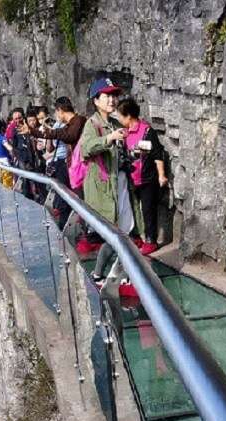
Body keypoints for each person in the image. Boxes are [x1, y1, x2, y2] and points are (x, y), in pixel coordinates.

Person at [79, 78, 143, 290]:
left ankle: (109, 275)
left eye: (114, 95)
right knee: (117, 234)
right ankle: (112, 275)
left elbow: (120, 157)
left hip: (121, 186)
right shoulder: (92, 124)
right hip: (105, 190)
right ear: (96, 100)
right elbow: (86, 148)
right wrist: (109, 139)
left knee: (123, 233)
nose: (112, 100)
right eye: (107, 96)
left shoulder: (115, 124)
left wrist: (134, 153)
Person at [21, 97, 87, 229]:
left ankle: (79, 228)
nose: (56, 116)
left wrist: (49, 132)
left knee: (75, 197)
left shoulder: (78, 121)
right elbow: (57, 134)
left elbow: (70, 136)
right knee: (69, 196)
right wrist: (32, 131)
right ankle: (70, 225)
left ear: (60, 110)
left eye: (57, 112)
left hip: (79, 167)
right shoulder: (72, 123)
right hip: (73, 165)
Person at [117, 98, 167, 256]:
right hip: (132, 178)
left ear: (129, 116)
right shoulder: (124, 133)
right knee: (133, 209)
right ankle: (137, 236)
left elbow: (157, 154)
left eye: (120, 116)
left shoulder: (146, 131)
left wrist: (161, 175)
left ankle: (151, 240)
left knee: (147, 209)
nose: (118, 119)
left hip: (147, 178)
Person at [12, 108, 41, 200]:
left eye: (19, 118)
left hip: (33, 156)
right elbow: (14, 145)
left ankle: (38, 197)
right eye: (15, 119)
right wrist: (18, 156)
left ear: (23, 117)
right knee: (25, 180)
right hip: (22, 158)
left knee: (37, 179)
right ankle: (28, 198)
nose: (18, 120)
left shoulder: (29, 127)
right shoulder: (15, 131)